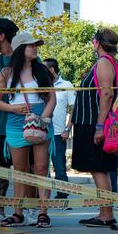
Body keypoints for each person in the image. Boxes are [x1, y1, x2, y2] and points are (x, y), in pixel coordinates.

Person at [0, 32, 56, 227]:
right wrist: (13, 108)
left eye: (36, 45)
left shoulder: (43, 71)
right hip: (15, 122)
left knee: (41, 168)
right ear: (21, 49)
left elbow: (52, 98)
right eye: (31, 45)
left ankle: (43, 213)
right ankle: (18, 212)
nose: (35, 48)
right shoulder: (5, 73)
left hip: (40, 120)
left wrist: (44, 117)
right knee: (19, 170)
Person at [72, 28, 118, 227]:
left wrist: (99, 126)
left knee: (98, 168)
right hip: (92, 121)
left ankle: (107, 214)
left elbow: (107, 94)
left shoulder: (103, 62)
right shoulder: (113, 62)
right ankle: (104, 212)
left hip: (94, 121)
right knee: (99, 168)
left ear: (97, 43)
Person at [0, 18, 19, 224]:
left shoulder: (27, 61)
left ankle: (27, 211)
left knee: (24, 172)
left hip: (19, 129)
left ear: (1, 36)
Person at [43, 58, 75, 199]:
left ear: (51, 69)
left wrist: (67, 129)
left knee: (60, 168)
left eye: (45, 68)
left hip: (58, 134)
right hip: (42, 132)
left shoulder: (67, 85)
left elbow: (74, 109)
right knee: (41, 167)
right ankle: (43, 196)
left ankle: (62, 197)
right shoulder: (41, 85)